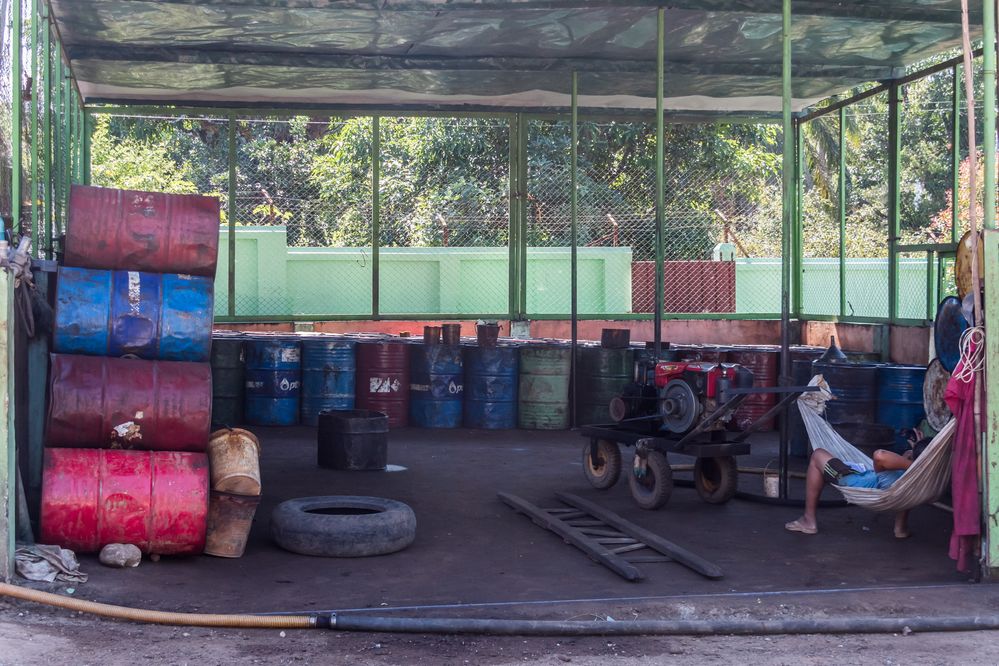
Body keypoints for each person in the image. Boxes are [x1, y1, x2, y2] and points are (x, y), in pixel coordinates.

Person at [784, 437, 930, 538]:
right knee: (907, 489)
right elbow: (906, 483)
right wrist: (915, 459)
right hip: (879, 479)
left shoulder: (907, 472)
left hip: (851, 479)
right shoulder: (917, 479)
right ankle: (900, 528)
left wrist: (915, 466)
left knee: (818, 455)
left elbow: (880, 456)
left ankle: (809, 520)